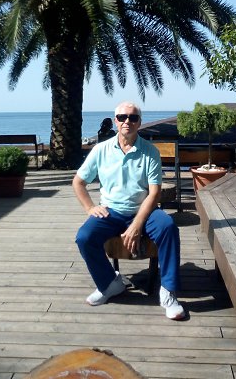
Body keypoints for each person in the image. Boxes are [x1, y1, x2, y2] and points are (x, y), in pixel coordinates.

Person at [73, 101, 185, 320]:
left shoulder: (150, 151)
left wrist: (136, 225)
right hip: (111, 211)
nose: (127, 121)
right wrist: (90, 207)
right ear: (115, 121)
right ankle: (109, 284)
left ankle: (168, 292)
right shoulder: (101, 150)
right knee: (84, 237)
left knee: (168, 227)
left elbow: (154, 193)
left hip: (144, 210)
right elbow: (78, 182)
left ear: (139, 122)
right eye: (122, 117)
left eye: (133, 118)